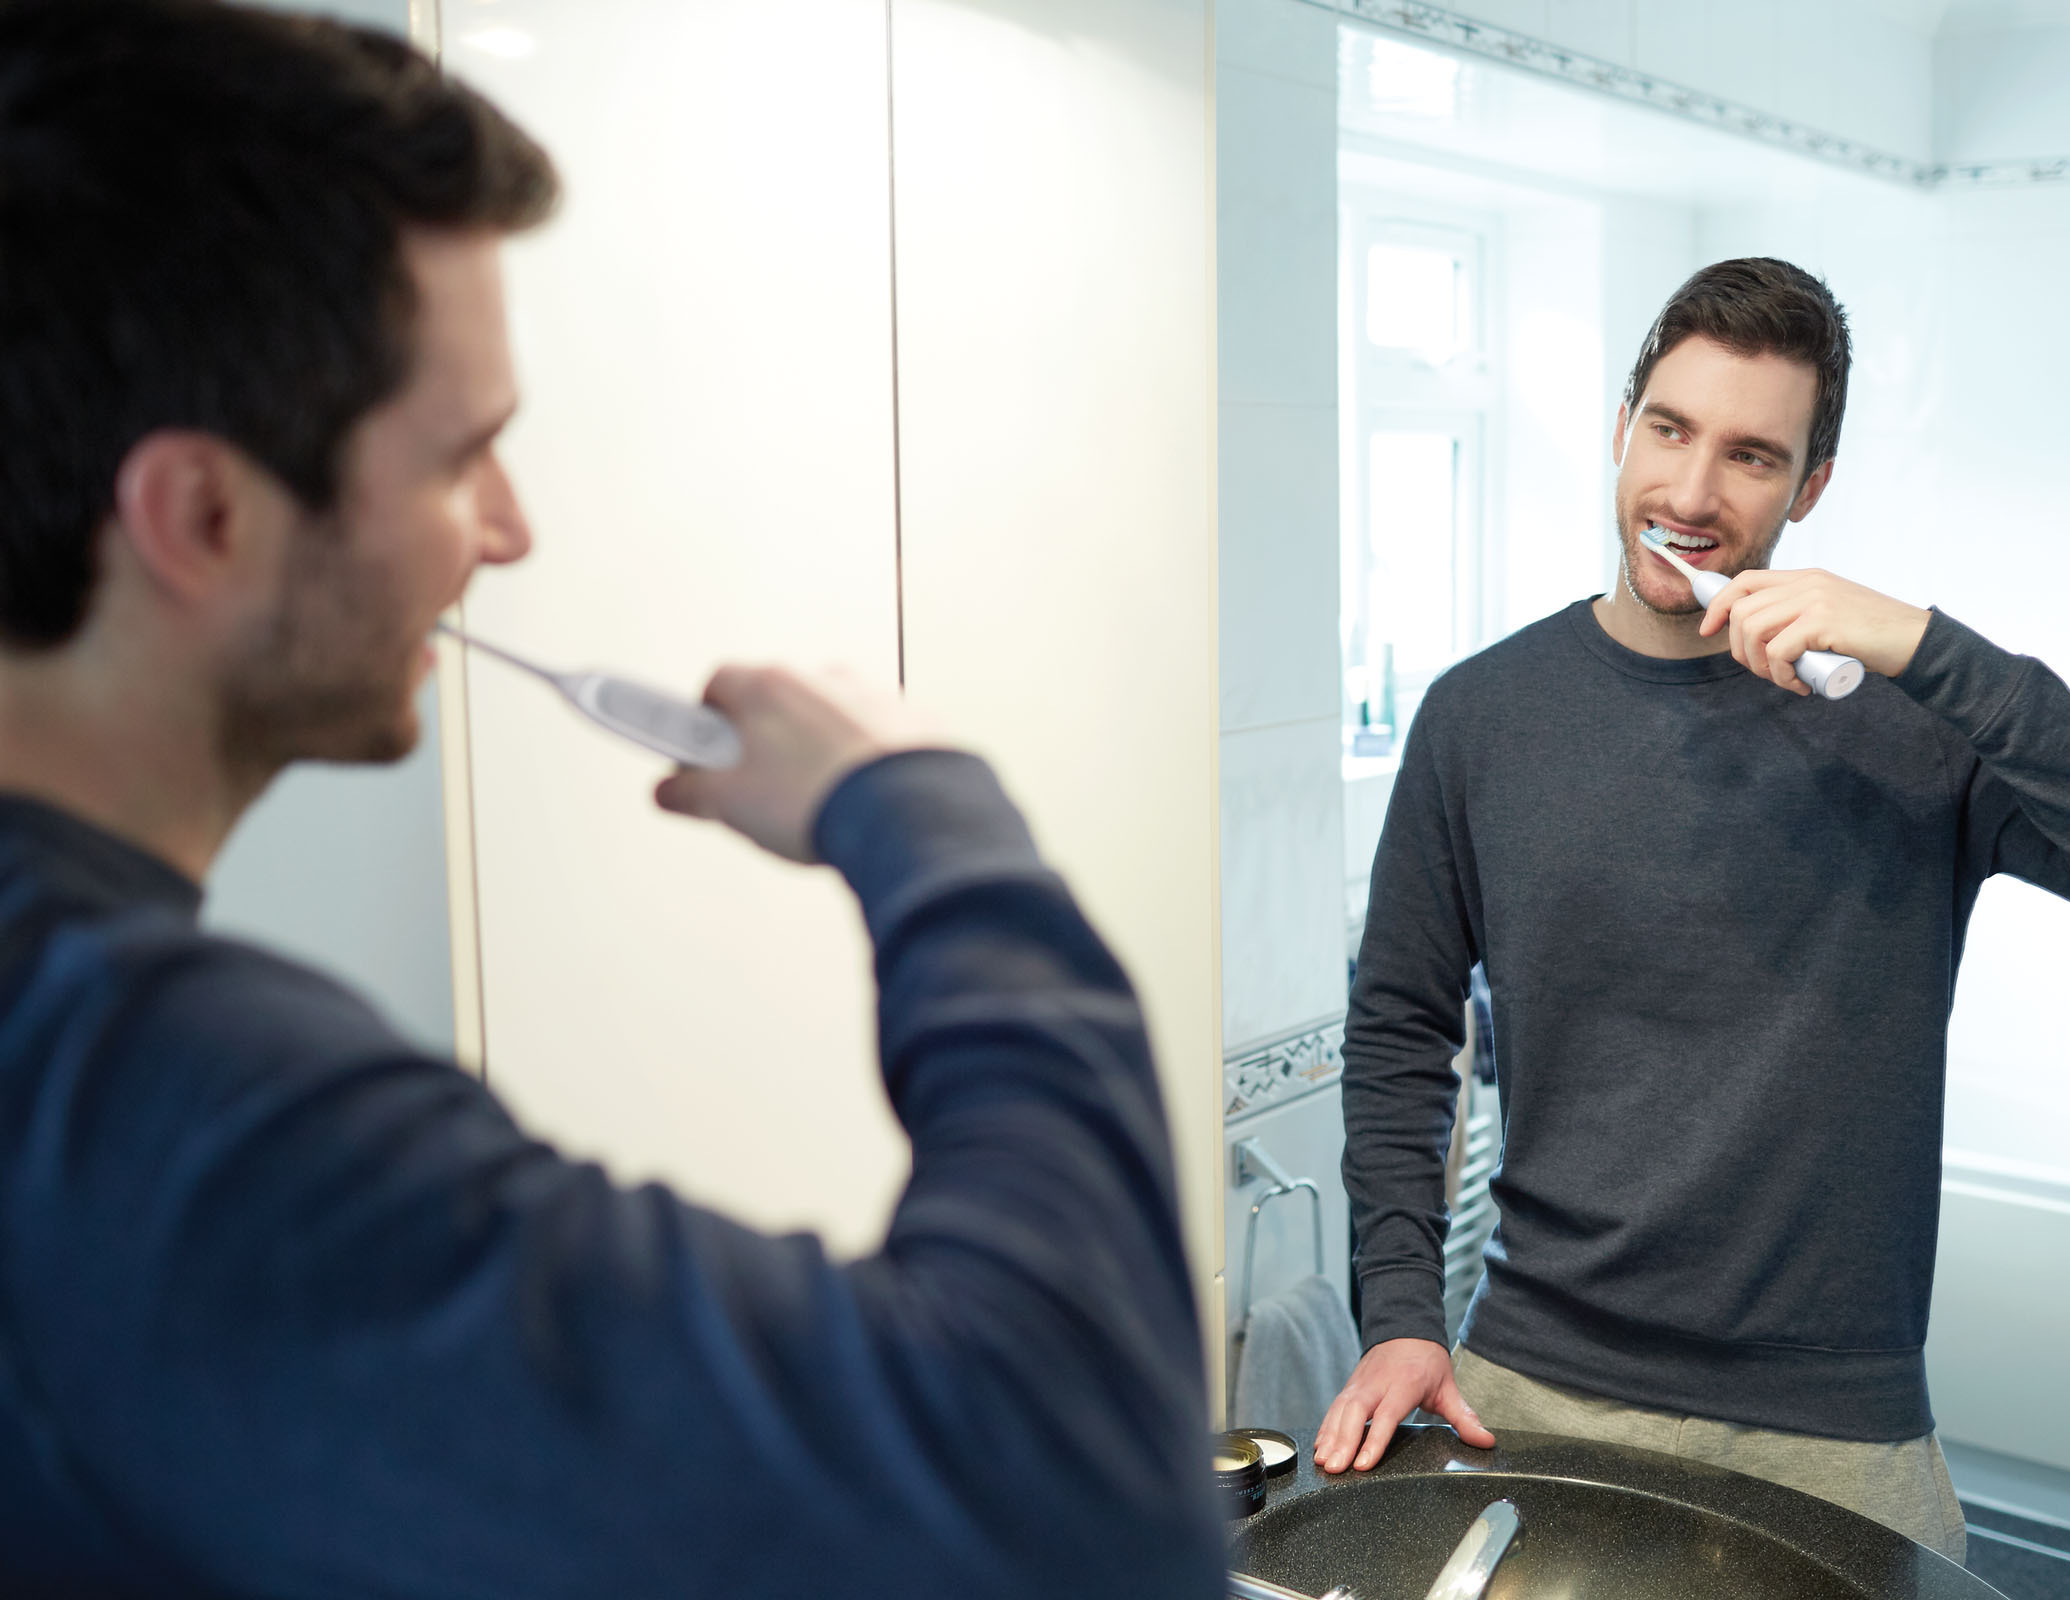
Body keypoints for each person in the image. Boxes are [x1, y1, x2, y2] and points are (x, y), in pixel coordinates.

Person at [0, 2, 1219, 1594]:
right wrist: (928, 821)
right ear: (204, 513)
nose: (505, 533)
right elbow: (1077, 1488)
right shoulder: (168, 1120)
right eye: (462, 456)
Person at [1313, 257, 2070, 1559]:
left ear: (1811, 488)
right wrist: (1397, 1313)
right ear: (1619, 429)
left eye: (1753, 456)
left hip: (1831, 1433)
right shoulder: (1481, 717)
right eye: (1668, 430)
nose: (1692, 493)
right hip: (1524, 1388)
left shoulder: (1910, 731)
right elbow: (1397, 1029)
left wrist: (1931, 650)